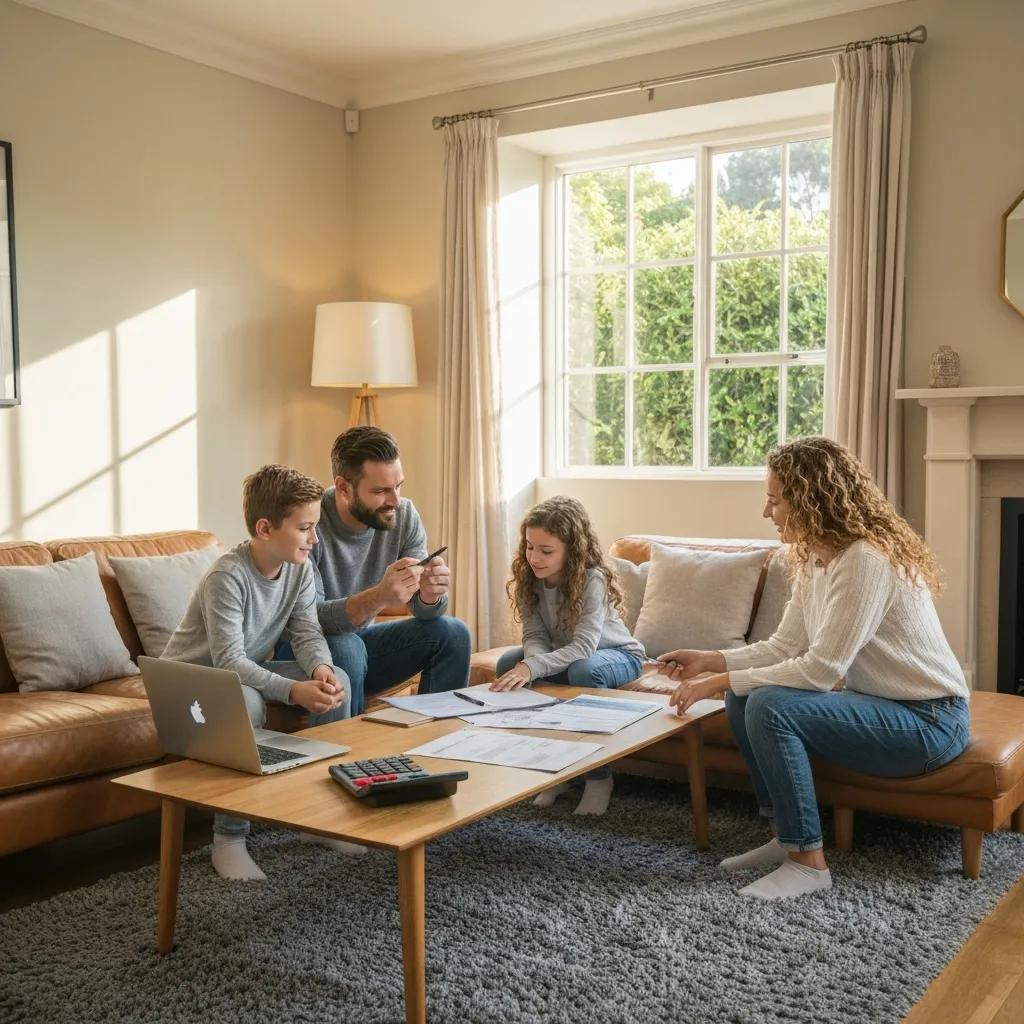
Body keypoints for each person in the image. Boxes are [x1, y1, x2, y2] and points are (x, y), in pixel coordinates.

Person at [659, 436, 970, 900]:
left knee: (765, 703)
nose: (768, 513)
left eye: (775, 499)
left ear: (810, 498)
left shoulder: (866, 559)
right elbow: (785, 645)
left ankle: (808, 862)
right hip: (878, 705)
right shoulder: (814, 558)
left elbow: (821, 670)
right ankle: (785, 835)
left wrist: (720, 680)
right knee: (744, 695)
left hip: (929, 723)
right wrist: (712, 660)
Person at [163, 464, 362, 881]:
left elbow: (307, 633)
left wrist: (321, 669)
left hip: (239, 671)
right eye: (305, 528)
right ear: (266, 528)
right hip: (190, 683)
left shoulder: (300, 568)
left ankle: (319, 819)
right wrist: (293, 690)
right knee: (246, 697)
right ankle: (229, 842)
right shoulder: (227, 576)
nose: (314, 538)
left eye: (315, 527)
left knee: (338, 678)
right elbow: (229, 662)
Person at [279, 427, 470, 715]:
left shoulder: (404, 515)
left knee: (454, 633)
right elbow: (308, 620)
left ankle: (438, 744)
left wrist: (430, 596)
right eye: (380, 491)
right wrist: (379, 597)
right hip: (302, 651)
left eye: (398, 486)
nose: (394, 500)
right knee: (345, 649)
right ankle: (350, 755)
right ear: (344, 488)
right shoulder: (309, 522)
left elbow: (424, 612)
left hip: (359, 644)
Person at [492, 495, 645, 816]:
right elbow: (534, 636)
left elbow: (584, 648)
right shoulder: (527, 579)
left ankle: (599, 778)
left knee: (582, 671)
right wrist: (530, 666)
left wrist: (533, 666)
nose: (534, 557)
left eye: (546, 551)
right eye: (530, 547)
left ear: (572, 550)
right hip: (569, 656)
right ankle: (553, 765)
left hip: (615, 655)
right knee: (509, 663)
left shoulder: (592, 580)